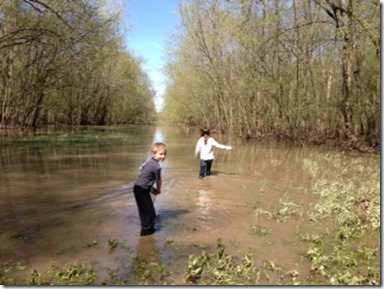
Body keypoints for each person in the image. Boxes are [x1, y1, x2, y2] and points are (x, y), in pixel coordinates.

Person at [133, 142, 168, 236]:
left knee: (150, 213)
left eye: (164, 154)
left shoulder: (150, 161)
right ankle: (145, 236)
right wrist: (159, 190)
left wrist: (142, 167)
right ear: (154, 153)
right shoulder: (157, 167)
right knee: (147, 215)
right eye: (161, 154)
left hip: (140, 188)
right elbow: (159, 181)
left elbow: (142, 166)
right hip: (141, 190)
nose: (163, 156)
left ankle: (148, 232)